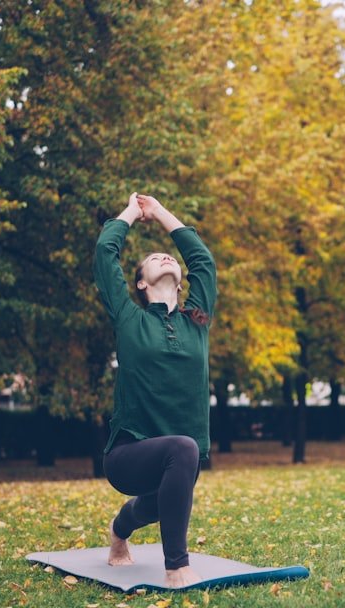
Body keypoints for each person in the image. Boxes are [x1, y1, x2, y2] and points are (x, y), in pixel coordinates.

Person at [93, 192, 217, 587]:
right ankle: (176, 566)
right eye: (154, 259)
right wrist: (132, 211)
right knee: (183, 449)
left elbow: (204, 262)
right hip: (128, 454)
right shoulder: (129, 319)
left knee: (157, 502)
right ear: (141, 283)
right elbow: (104, 254)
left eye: (171, 258)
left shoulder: (196, 320)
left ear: (182, 284)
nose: (166, 257)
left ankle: (119, 530)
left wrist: (161, 212)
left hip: (180, 458)